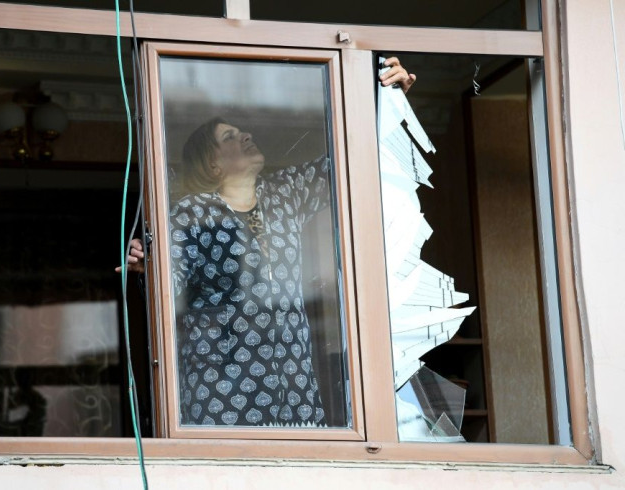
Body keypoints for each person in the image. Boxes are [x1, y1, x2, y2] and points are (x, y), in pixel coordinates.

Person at [122, 58, 415, 427]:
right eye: (229, 136)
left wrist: (390, 103)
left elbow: (349, 161)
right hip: (222, 400)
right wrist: (147, 265)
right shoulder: (192, 213)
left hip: (297, 395)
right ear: (212, 165)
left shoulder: (284, 193)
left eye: (243, 131)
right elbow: (167, 284)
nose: (245, 136)